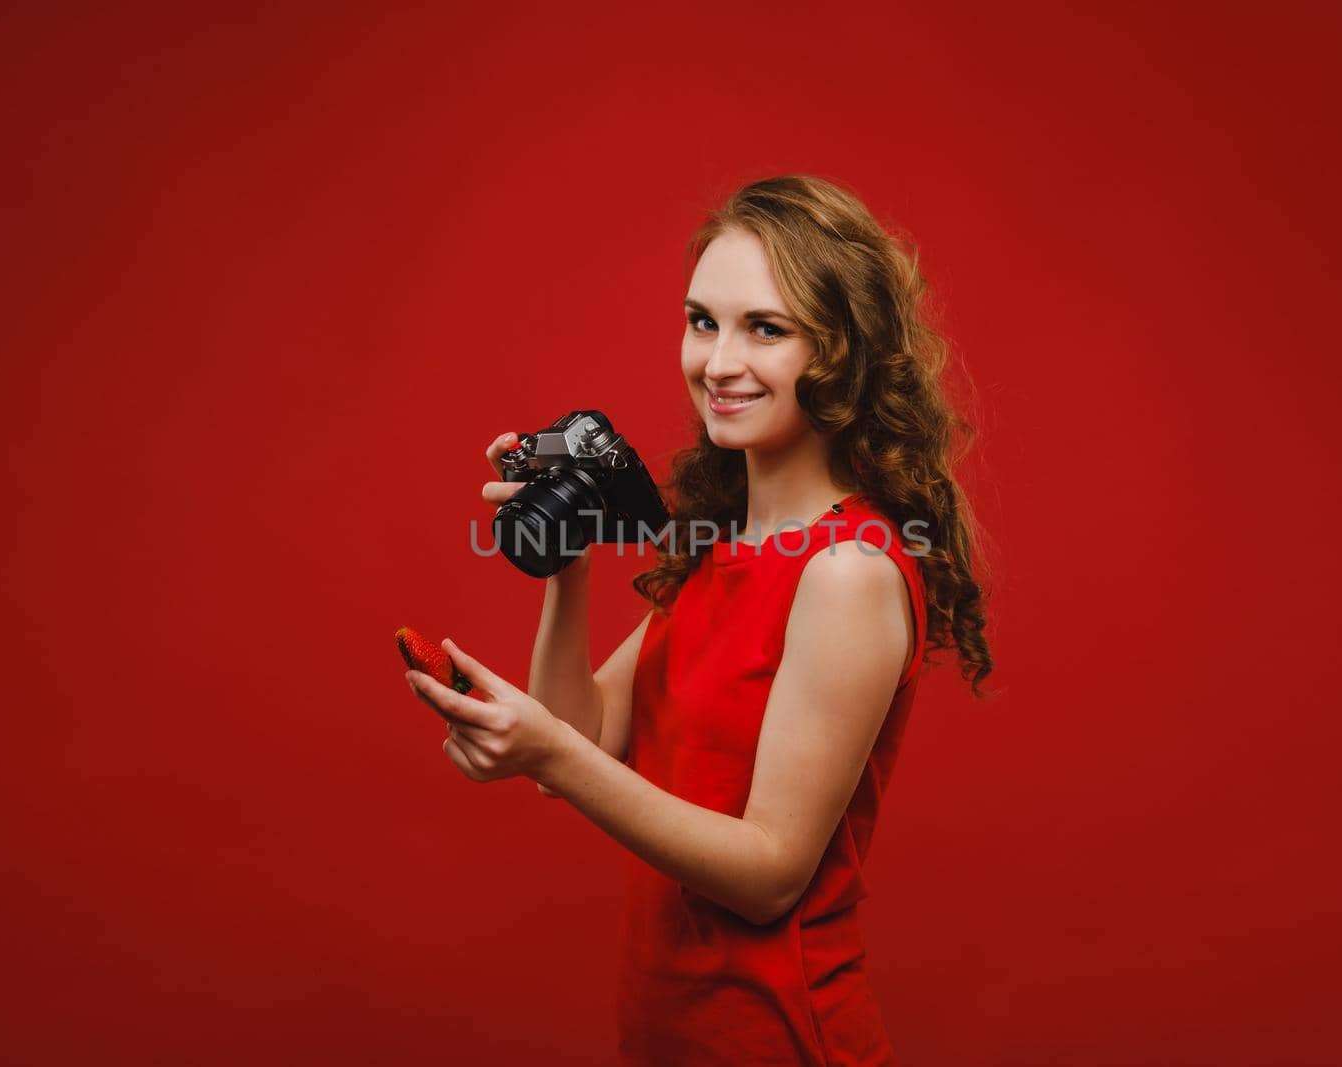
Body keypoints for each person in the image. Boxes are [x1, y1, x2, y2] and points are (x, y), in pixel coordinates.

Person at [408, 174, 994, 1065]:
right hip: (668, 1037)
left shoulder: (846, 569)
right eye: (702, 320)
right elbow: (582, 732)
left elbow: (769, 874)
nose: (718, 362)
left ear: (843, 352)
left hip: (777, 1040)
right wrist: (567, 565)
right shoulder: (725, 546)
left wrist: (550, 753)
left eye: (766, 328)